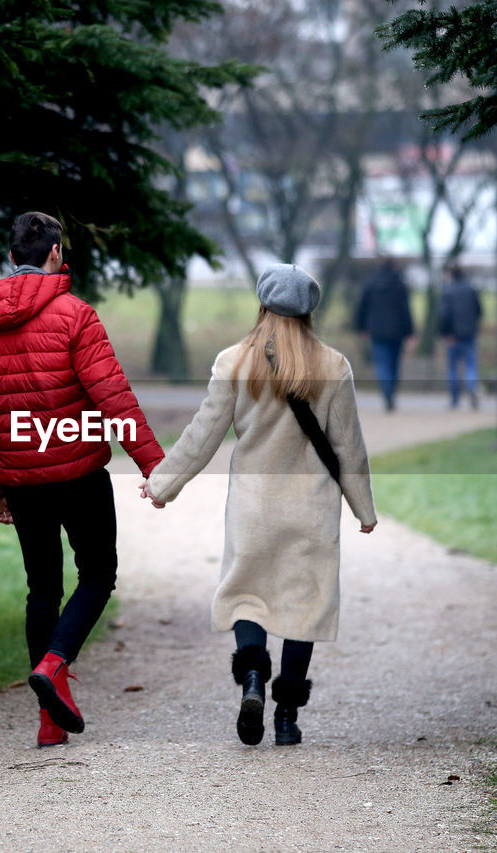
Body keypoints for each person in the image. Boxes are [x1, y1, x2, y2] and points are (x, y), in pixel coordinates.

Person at [139, 264, 377, 747]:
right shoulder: (333, 366)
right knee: (303, 606)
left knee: (247, 594)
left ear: (262, 304)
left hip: (253, 507)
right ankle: (286, 717)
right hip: (310, 509)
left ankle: (252, 682)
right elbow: (349, 447)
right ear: (310, 310)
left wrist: (163, 484)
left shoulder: (234, 362)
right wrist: (364, 510)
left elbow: (203, 434)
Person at [0, 211, 164, 748]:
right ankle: (54, 664)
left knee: (42, 589)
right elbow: (112, 396)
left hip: (23, 481)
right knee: (97, 575)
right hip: (78, 471)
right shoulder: (76, 315)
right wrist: (154, 464)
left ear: (11, 259)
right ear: (56, 253)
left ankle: (50, 721)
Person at [354, 256, 414, 411]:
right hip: (397, 331)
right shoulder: (400, 285)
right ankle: (391, 392)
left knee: (382, 364)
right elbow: (405, 310)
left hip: (377, 331)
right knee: (394, 364)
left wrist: (360, 327)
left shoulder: (371, 284)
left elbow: (362, 307)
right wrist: (409, 332)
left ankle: (386, 392)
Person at [437, 263, 483, 409]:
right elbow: (478, 310)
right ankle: (471, 386)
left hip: (453, 336)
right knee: (470, 364)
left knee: (453, 368)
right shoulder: (470, 289)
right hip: (469, 333)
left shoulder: (447, 291)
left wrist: (446, 332)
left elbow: (443, 315)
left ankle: (454, 399)